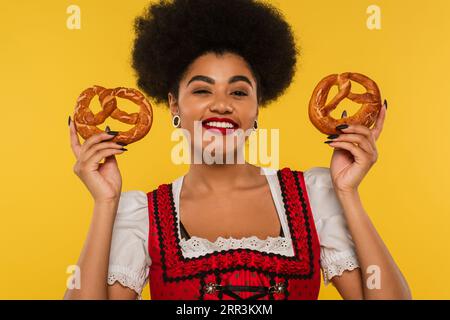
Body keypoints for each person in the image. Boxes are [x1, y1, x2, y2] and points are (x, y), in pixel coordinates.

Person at [64, 0, 411, 300]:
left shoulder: (314, 196)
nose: (222, 105)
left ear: (258, 107)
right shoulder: (141, 216)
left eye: (239, 92)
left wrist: (348, 193)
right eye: (202, 91)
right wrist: (105, 203)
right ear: (174, 105)